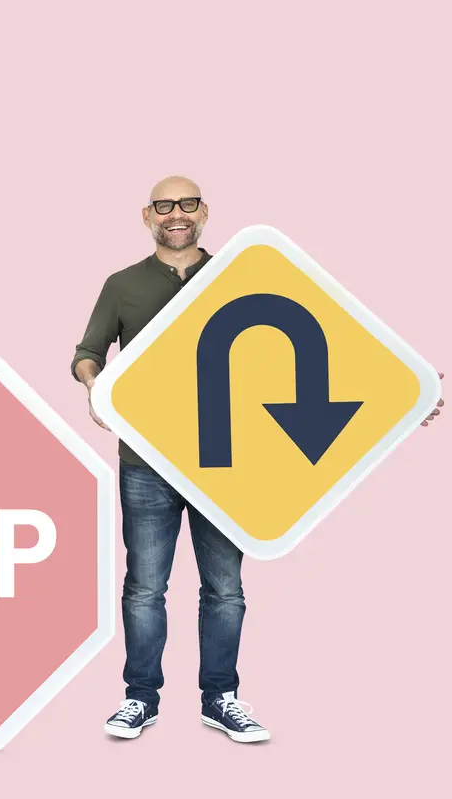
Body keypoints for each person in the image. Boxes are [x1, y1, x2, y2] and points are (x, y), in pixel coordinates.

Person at [72, 176, 443, 744]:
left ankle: (220, 698)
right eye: (165, 205)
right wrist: (95, 387)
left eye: (188, 203)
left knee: (225, 589)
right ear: (147, 216)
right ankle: (139, 699)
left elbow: (316, 357)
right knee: (145, 587)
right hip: (146, 464)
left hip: (225, 466)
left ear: (204, 211)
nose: (177, 214)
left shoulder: (238, 273)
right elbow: (87, 353)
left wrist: (404, 394)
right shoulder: (122, 285)